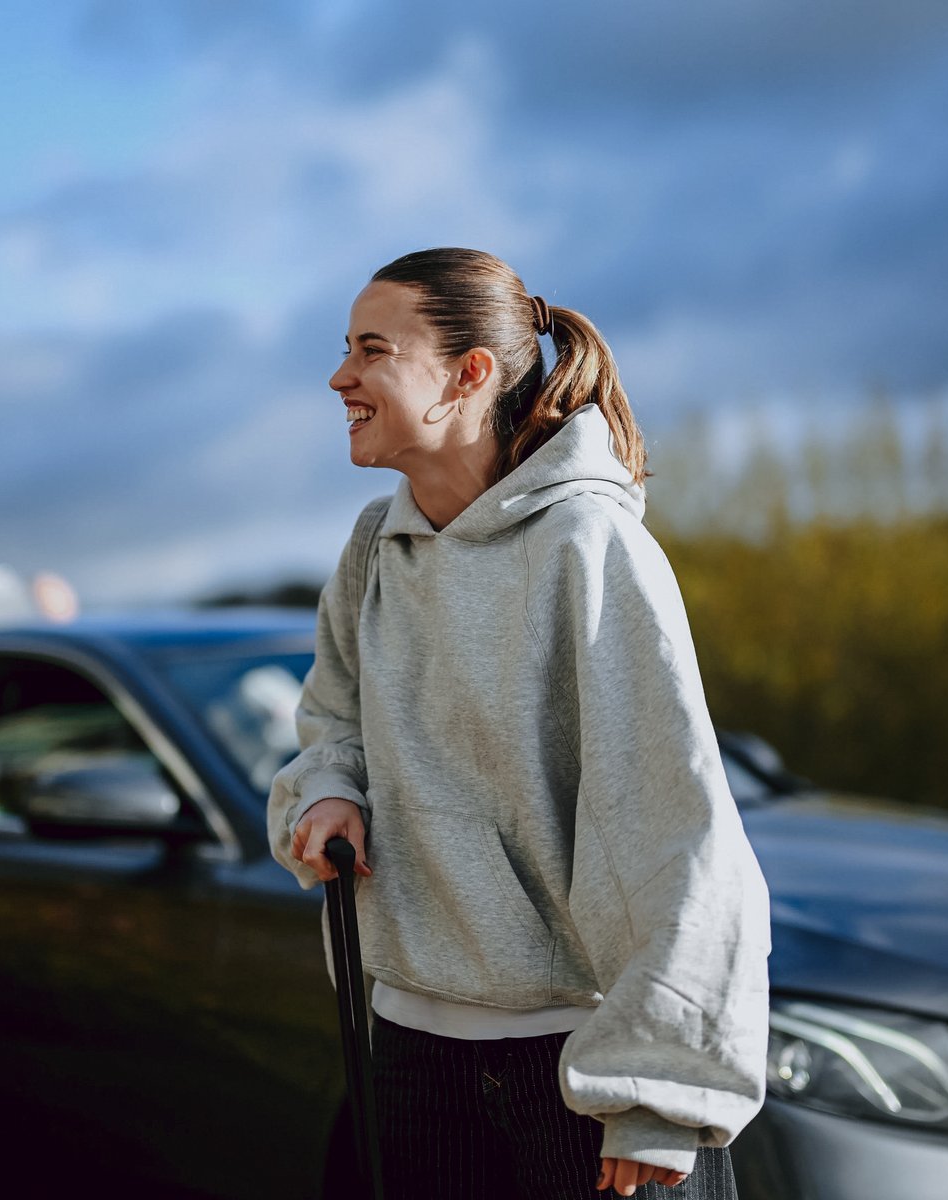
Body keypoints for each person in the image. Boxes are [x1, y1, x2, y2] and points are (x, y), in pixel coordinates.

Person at [267, 248, 770, 1199]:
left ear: (470, 373)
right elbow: (334, 716)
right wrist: (332, 787)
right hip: (408, 1058)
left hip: (572, 1070)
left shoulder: (590, 547)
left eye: (373, 350)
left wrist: (657, 1092)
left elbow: (679, 831)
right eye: (345, 350)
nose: (340, 377)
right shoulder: (377, 545)